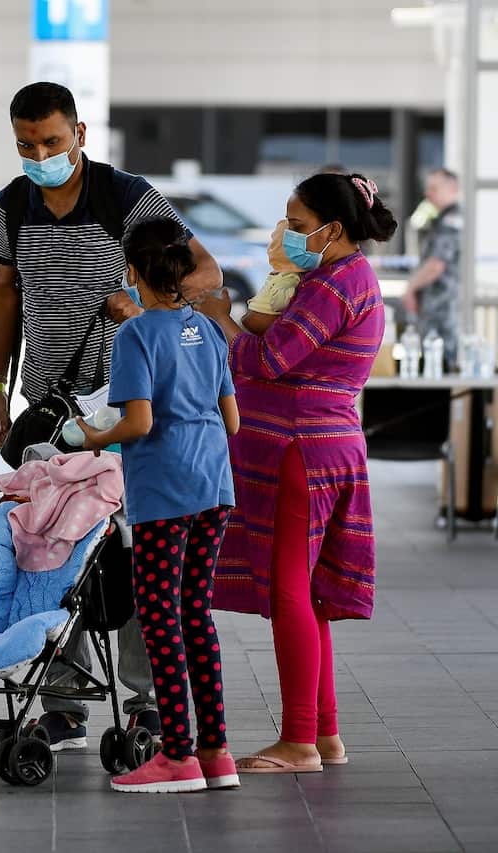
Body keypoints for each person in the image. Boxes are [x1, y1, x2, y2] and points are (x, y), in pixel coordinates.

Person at [0, 81, 223, 750]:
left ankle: (147, 702)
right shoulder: (9, 207)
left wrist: (142, 304)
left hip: (131, 408)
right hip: (52, 412)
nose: (40, 156)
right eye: (27, 145)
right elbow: (3, 294)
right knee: (47, 546)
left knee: (133, 552)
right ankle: (64, 700)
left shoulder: (127, 198)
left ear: (80, 134)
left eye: (52, 142)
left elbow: (204, 273)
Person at [198, 172, 397, 773]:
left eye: (297, 223)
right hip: (321, 444)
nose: (285, 232)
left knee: (289, 592)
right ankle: (324, 734)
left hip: (300, 448)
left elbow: (269, 358)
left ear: (332, 229)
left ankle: (299, 741)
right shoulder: (340, 277)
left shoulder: (334, 285)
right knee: (308, 597)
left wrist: (220, 318)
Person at [77, 216, 240, 793]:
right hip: (214, 484)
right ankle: (215, 754)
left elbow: (139, 422)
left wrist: (95, 437)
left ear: (132, 272)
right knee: (196, 613)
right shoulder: (210, 329)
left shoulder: (135, 335)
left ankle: (176, 755)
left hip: (164, 489)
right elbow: (231, 420)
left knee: (159, 615)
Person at [404, 168, 462, 369]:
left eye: (434, 188)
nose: (428, 193)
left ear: (452, 189)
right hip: (436, 310)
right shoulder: (441, 219)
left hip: (442, 313)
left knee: (439, 368)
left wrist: (411, 288)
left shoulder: (451, 221)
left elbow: (436, 265)